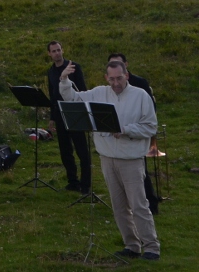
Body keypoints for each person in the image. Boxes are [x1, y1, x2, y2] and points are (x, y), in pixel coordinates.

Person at [60, 59, 160, 261]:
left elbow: (151, 127)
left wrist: (125, 130)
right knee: (119, 206)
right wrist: (64, 79)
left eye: (119, 78)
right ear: (106, 78)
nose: (115, 83)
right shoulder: (99, 92)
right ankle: (132, 246)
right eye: (111, 79)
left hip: (131, 160)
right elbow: (73, 98)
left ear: (127, 75)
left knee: (138, 205)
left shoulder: (141, 96)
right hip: (107, 158)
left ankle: (151, 247)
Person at [108, 52, 160, 215]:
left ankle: (151, 204)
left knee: (141, 173)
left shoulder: (139, 83)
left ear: (126, 66)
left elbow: (150, 109)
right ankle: (127, 204)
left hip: (136, 135)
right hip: (116, 142)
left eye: (118, 63)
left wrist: (131, 128)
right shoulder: (111, 87)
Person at [45, 41, 91, 194]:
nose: (57, 53)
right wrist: (52, 117)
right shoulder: (51, 72)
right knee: (65, 150)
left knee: (81, 149)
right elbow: (52, 95)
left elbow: (83, 89)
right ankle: (73, 181)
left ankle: (86, 184)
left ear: (62, 50)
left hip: (74, 112)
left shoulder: (73, 67)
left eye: (59, 50)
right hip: (59, 113)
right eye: (54, 51)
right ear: (49, 54)